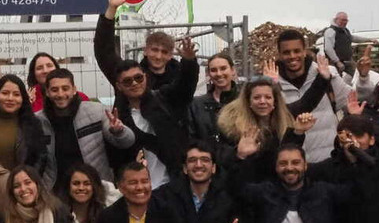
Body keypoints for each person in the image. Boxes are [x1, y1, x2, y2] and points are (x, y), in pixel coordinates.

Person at [110, 46, 199, 189]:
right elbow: (116, 160)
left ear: (145, 77)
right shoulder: (118, 119)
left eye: (138, 78)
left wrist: (189, 62)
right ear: (119, 86)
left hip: (175, 185)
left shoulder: (165, 99)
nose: (134, 83)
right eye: (127, 81)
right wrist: (117, 134)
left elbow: (185, 86)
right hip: (139, 191)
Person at [37, 67, 133, 187]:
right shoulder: (38, 120)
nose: (60, 94)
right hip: (56, 190)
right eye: (54, 90)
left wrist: (119, 131)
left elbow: (128, 141)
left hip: (95, 186)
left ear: (74, 90)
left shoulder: (96, 111)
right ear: (47, 92)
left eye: (65, 88)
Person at [215, 77, 313, 184]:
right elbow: (224, 165)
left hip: (276, 190)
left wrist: (297, 132)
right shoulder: (233, 128)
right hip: (246, 189)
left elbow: (284, 157)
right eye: (257, 97)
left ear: (274, 101)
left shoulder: (283, 123)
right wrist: (240, 155)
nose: (263, 101)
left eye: (268, 97)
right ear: (249, 102)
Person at [273, 30, 350, 162]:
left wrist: (363, 78)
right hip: (293, 166)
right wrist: (272, 88)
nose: (292, 56)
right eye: (286, 52)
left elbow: (351, 100)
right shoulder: (274, 82)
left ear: (304, 51)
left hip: (328, 159)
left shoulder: (325, 74)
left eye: (297, 51)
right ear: (279, 55)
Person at [0, 74, 56, 190]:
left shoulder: (33, 124)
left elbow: (40, 157)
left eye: (16, 94)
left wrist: (28, 181)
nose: (10, 98)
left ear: (23, 98)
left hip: (23, 189)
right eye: (5, 93)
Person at [96, 0, 179, 92]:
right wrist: (112, 9)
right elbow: (104, 51)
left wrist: (190, 61)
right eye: (154, 50)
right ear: (145, 50)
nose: (158, 56)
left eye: (164, 52)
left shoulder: (180, 81)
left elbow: (190, 78)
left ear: (171, 55)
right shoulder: (128, 76)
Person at [187, 52, 239, 146]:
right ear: (208, 73)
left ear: (232, 70)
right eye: (214, 70)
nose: (219, 74)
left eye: (223, 68)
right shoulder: (196, 105)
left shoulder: (244, 102)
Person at [321, 12, 354, 77]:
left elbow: (352, 38)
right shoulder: (330, 31)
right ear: (336, 19)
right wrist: (337, 62)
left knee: (357, 76)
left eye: (346, 20)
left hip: (347, 61)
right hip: (335, 63)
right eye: (342, 20)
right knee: (336, 80)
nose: (344, 22)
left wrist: (369, 40)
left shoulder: (345, 30)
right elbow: (328, 49)